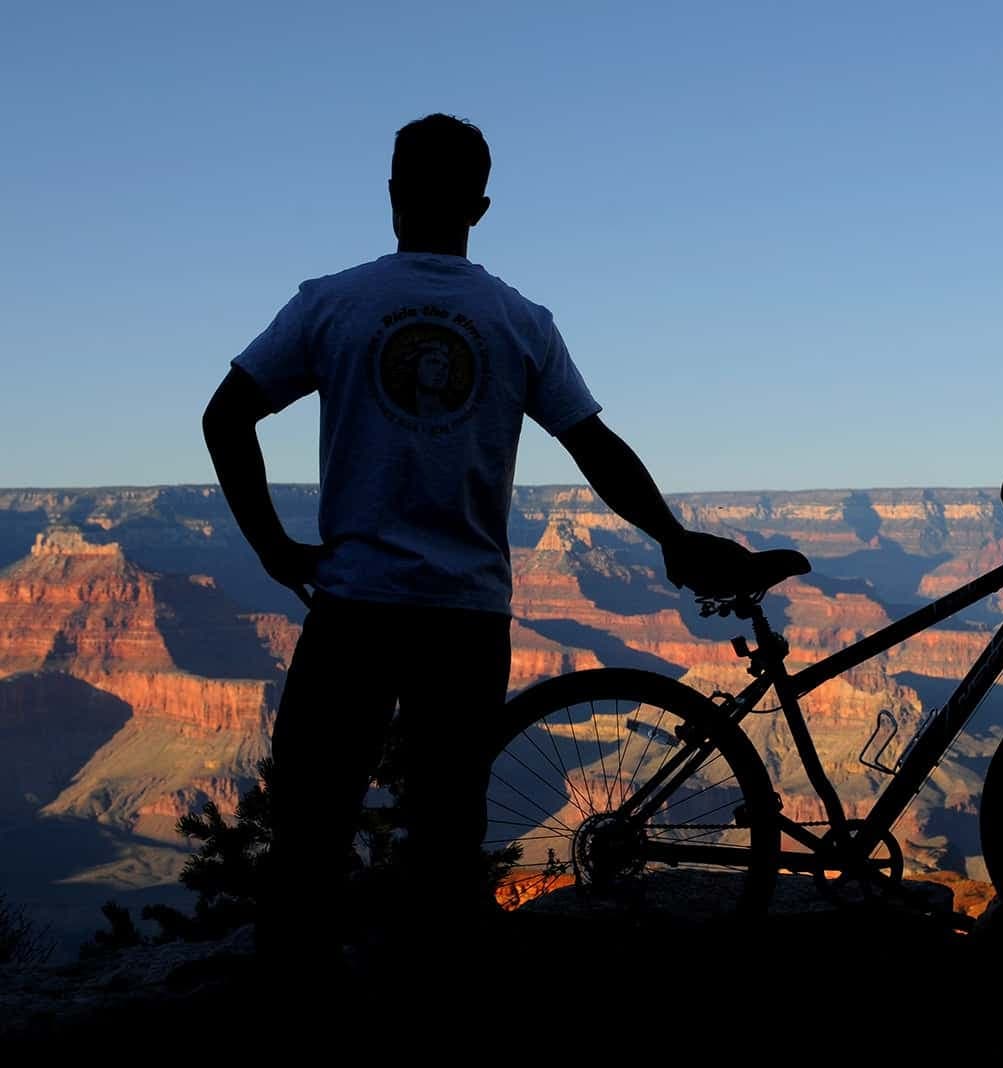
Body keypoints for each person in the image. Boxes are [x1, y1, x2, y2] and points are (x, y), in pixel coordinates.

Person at [201, 112, 752, 968]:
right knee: (447, 835)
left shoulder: (332, 303)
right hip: (466, 618)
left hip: (352, 606)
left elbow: (226, 416)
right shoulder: (517, 319)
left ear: (391, 193)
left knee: (311, 823)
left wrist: (275, 548)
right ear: (481, 207)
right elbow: (594, 445)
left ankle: (293, 992)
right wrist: (670, 536)